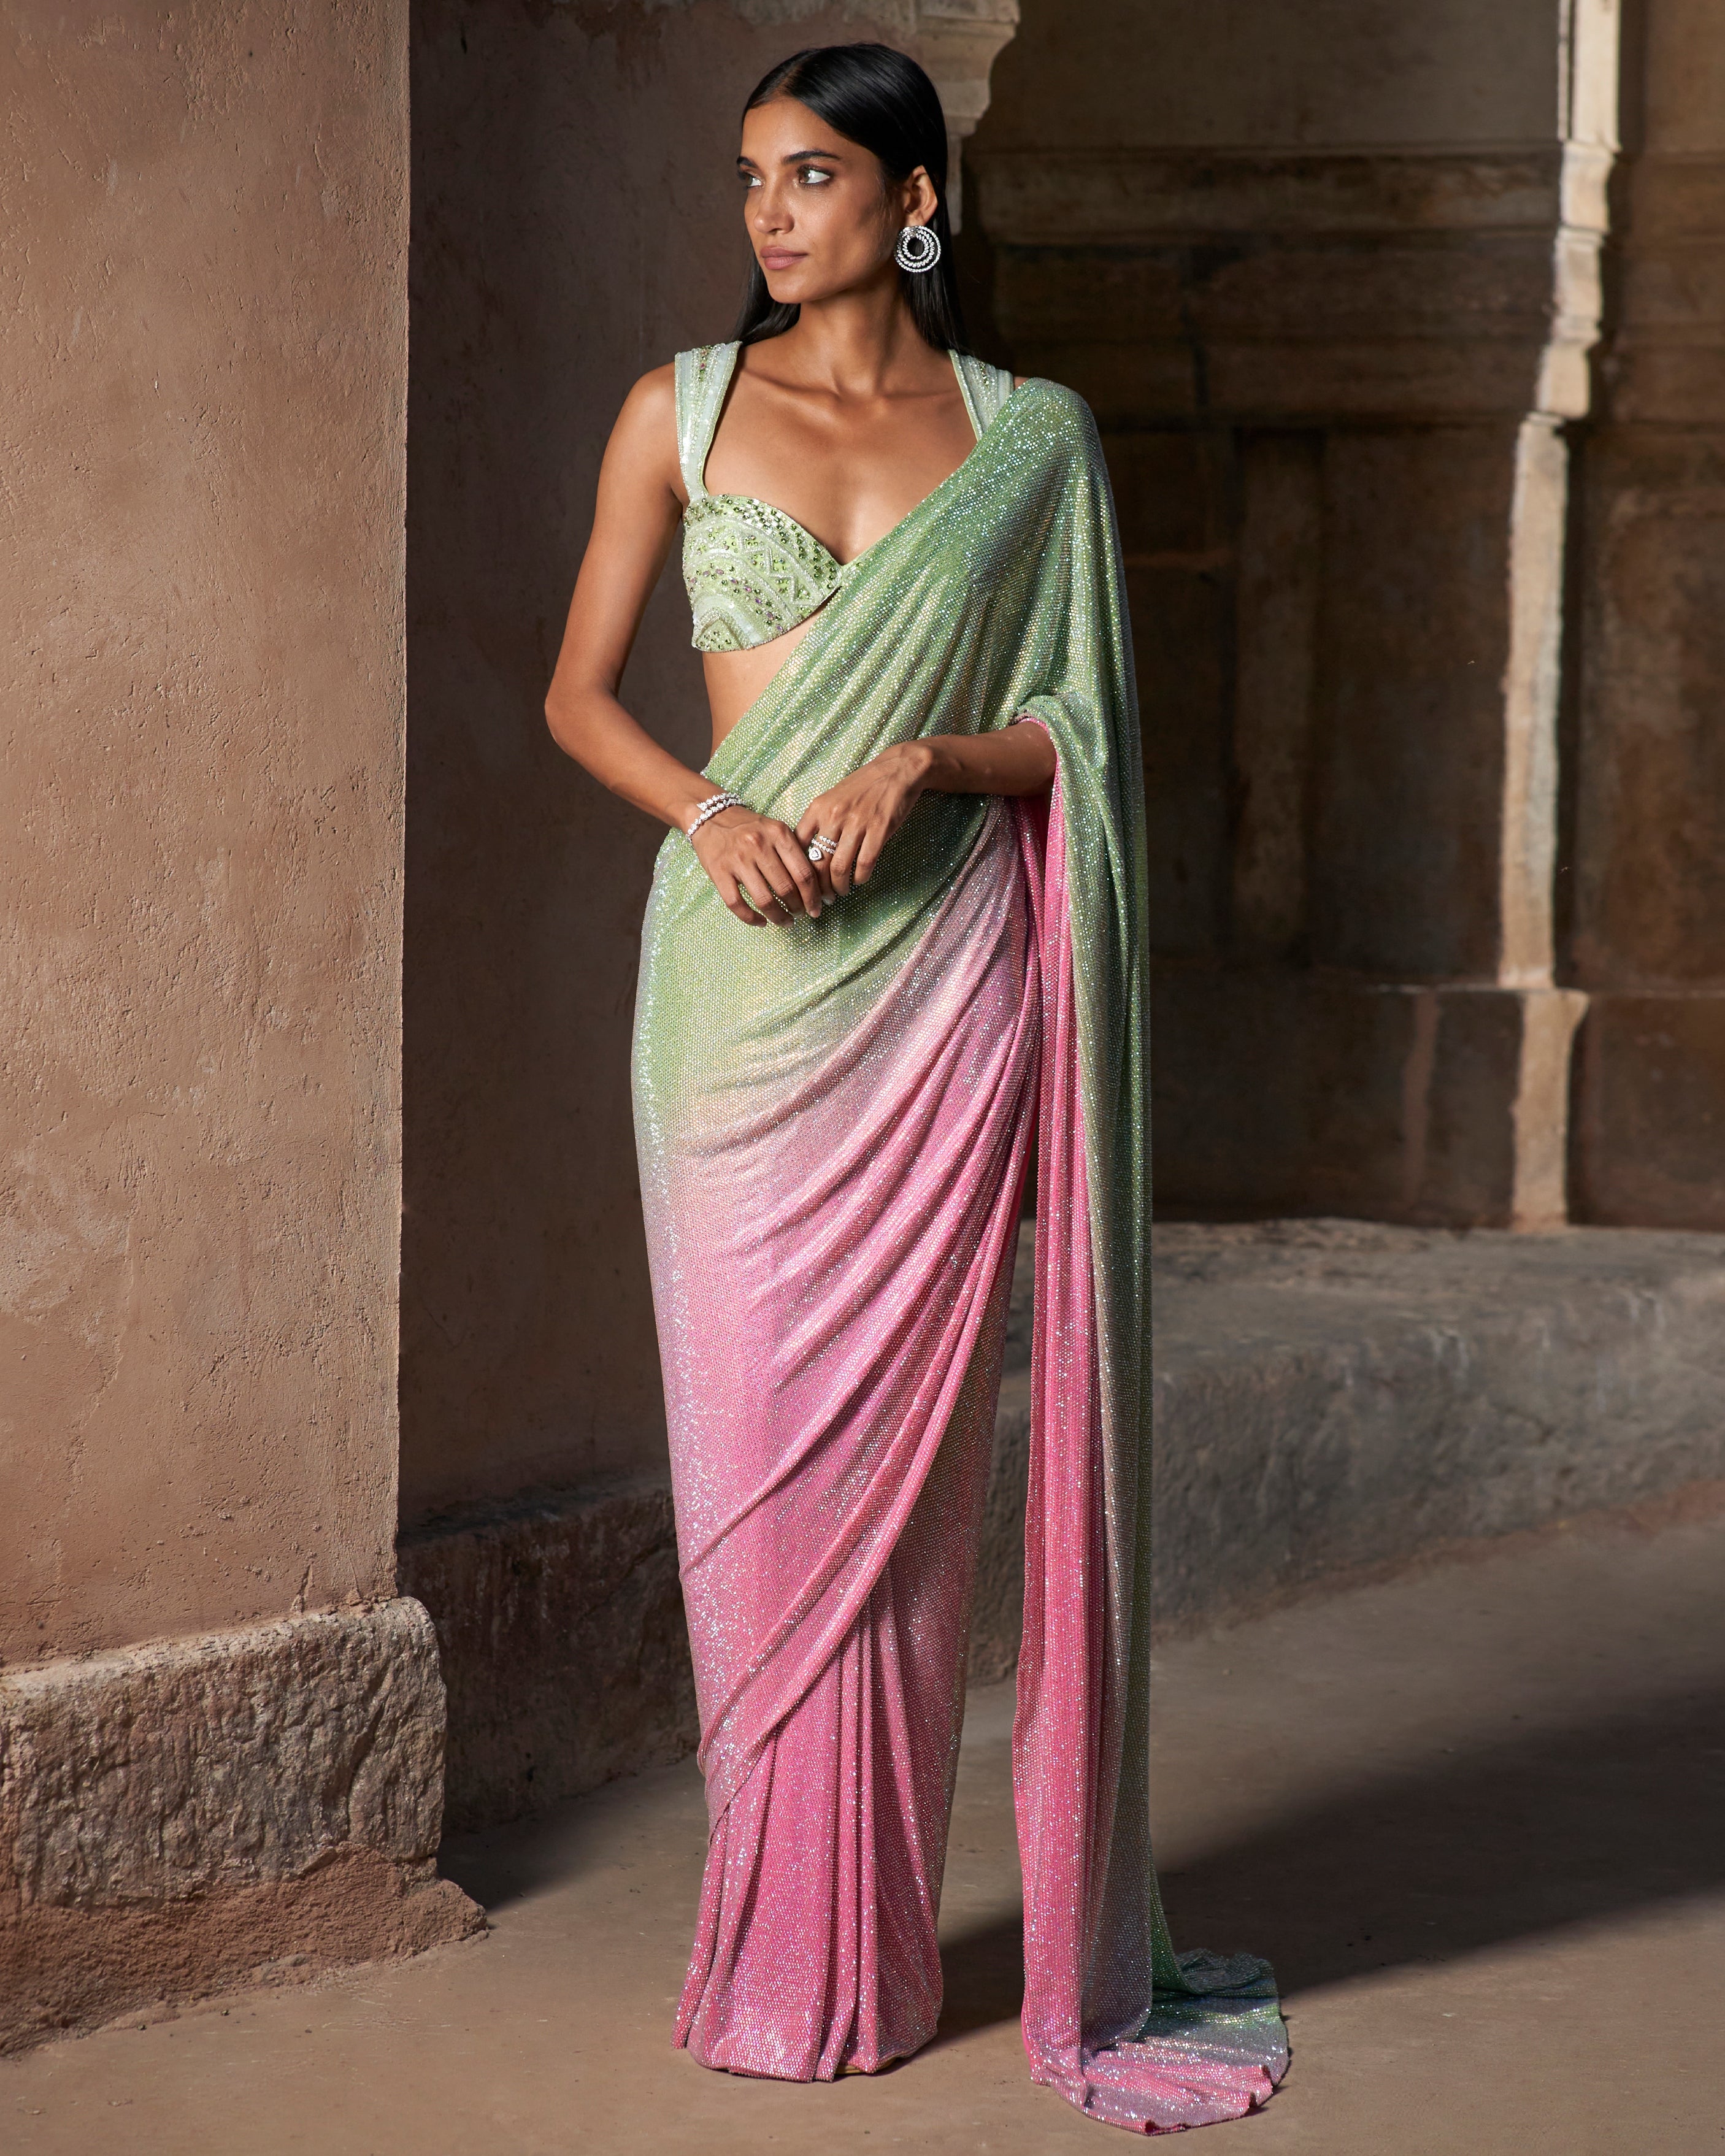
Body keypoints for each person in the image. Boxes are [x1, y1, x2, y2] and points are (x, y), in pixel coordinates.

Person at [544, 41, 1289, 2134]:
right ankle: (783, 1949)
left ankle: (865, 1954)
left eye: (809, 175)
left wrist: (928, 758)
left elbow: (1085, 731)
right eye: (750, 180)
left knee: (903, 1496)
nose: (768, 214)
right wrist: (712, 812)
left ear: (914, 197)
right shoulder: (678, 411)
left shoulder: (1028, 437)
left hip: (939, 989)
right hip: (733, 1004)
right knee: (761, 1493)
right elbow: (574, 695)